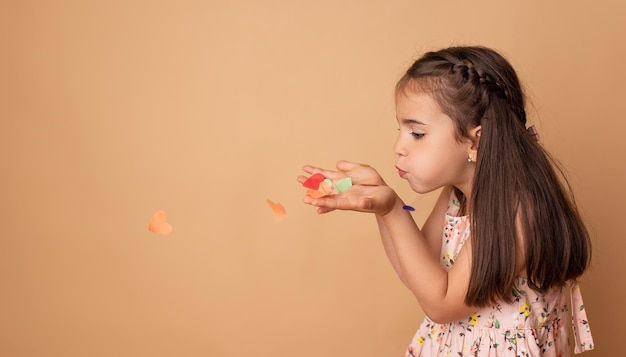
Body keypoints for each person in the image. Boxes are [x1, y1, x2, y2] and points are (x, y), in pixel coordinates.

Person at [298, 46, 594, 356]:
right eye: (401, 130)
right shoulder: (456, 194)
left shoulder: (518, 210)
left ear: (475, 141)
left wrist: (396, 211)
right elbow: (417, 272)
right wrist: (383, 206)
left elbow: (440, 304)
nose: (398, 147)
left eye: (417, 133)